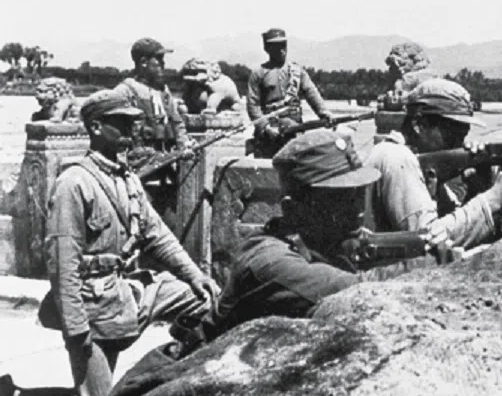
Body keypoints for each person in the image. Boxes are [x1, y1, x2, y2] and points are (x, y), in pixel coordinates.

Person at [26, 89, 219, 396]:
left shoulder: (126, 177)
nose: (131, 130)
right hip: (94, 305)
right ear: (96, 127)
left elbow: (157, 235)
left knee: (205, 299)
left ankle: (172, 381)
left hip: (128, 291)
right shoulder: (74, 183)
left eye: (132, 122)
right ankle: (22, 395)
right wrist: (75, 328)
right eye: (121, 123)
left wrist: (196, 276)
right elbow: (62, 263)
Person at [171, 131, 433, 349]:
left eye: (358, 194)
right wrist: (437, 261)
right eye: (339, 199)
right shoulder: (269, 263)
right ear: (294, 208)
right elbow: (358, 291)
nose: (358, 209)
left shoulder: (319, 239)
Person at [365, 79, 502, 249]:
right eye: (453, 135)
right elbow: (428, 239)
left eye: (463, 135)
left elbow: (447, 220)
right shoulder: (396, 157)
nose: (459, 145)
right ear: (419, 124)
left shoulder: (414, 161)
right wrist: (494, 198)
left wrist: (479, 186)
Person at [246, 28, 333, 158]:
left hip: (294, 128)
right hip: (270, 130)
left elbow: (311, 93)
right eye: (276, 46)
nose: (282, 49)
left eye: (283, 45)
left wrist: (325, 113)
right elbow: (253, 105)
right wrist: (265, 127)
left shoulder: (297, 71)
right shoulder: (258, 74)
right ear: (267, 48)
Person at [114, 37, 193, 170]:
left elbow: (177, 123)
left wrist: (184, 145)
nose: (163, 64)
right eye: (159, 59)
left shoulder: (163, 91)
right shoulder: (125, 91)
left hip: (167, 163)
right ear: (143, 62)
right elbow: (114, 134)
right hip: (138, 166)